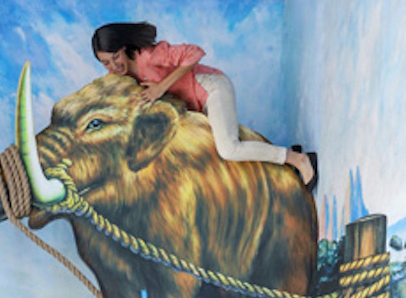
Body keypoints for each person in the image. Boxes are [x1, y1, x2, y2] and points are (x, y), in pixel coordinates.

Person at [91, 21, 317, 189]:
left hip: (211, 88)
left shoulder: (149, 56)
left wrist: (161, 87)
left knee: (229, 149)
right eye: (105, 63)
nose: (113, 66)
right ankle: (286, 163)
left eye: (116, 57)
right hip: (196, 106)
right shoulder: (123, 79)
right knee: (213, 155)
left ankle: (299, 159)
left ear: (124, 48)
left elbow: (194, 53)